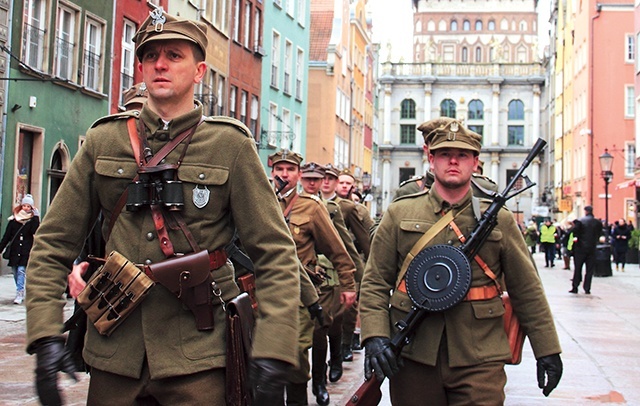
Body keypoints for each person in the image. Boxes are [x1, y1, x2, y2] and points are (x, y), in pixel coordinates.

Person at [25, 9, 301, 405]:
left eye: (174, 55)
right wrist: (45, 335)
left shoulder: (231, 147)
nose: (160, 64)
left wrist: (274, 347)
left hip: (199, 355)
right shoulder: (105, 141)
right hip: (116, 351)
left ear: (199, 70)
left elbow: (274, 253)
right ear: (139, 67)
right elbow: (53, 243)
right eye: (151, 55)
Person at [359, 117, 562, 404]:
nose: (453, 162)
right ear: (431, 158)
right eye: (444, 154)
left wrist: (547, 349)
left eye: (462, 155)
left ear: (475, 162)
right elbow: (375, 282)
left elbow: (527, 289)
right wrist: (375, 337)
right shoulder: (400, 213)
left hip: (480, 353)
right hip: (414, 350)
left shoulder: (499, 219)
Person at [269, 150, 357, 405]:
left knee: (296, 356)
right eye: (279, 170)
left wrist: (349, 284)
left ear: (297, 174)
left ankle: (304, 395)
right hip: (264, 292)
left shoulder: (311, 207)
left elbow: (337, 249)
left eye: (289, 170)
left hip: (299, 294)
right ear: (272, 171)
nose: (283, 175)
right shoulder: (263, 201)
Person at [299, 161, 364, 404]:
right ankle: (310, 380)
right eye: (312, 178)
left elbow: (344, 245)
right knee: (315, 329)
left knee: (325, 326)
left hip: (327, 276)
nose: (319, 183)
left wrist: (358, 277)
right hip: (297, 278)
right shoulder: (286, 205)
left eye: (325, 178)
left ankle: (327, 369)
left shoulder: (334, 208)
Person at [335, 168, 373, 361]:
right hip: (329, 263)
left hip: (352, 261)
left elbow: (368, 237)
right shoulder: (325, 205)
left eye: (347, 183)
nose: (344, 186)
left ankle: (346, 343)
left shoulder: (359, 210)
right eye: (340, 182)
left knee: (350, 307)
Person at [0, 194, 40, 305]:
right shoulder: (13, 220)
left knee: (21, 271)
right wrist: (1, 248)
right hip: (14, 250)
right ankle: (20, 288)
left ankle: (20, 293)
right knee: (14, 271)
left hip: (25, 251)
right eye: (24, 206)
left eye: (28, 206)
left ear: (31, 208)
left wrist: (36, 217)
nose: (26, 208)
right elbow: (7, 236)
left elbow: (35, 231)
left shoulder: (32, 221)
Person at [570, 206, 603, 294]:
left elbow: (574, 232)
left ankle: (575, 286)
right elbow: (600, 233)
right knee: (589, 270)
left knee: (578, 268)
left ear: (585, 211)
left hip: (580, 248)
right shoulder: (598, 222)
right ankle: (587, 288)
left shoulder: (580, 221)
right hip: (592, 248)